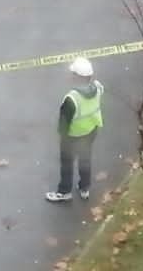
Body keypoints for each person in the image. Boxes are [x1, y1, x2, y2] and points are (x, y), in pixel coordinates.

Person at [46, 57, 105, 203]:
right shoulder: (98, 88)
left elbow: (64, 124)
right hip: (91, 132)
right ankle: (84, 188)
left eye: (73, 73)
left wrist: (62, 138)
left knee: (67, 163)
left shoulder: (71, 99)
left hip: (72, 137)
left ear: (77, 77)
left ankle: (64, 191)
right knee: (85, 160)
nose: (70, 76)